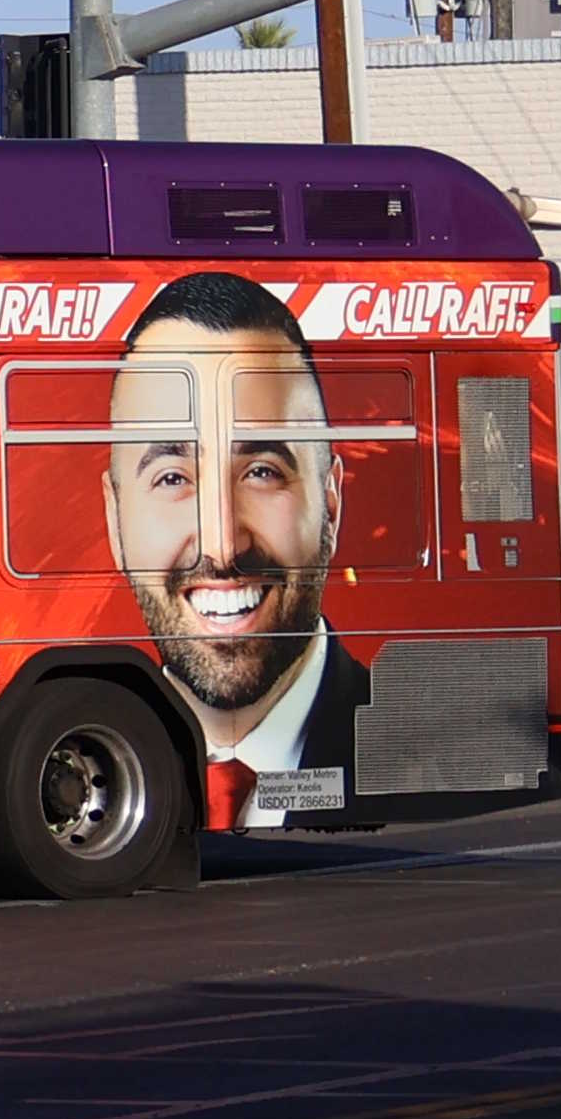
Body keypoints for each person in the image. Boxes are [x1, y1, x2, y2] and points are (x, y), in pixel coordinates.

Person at [101, 271, 369, 830]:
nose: (223, 545)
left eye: (262, 472)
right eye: (173, 478)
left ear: (331, 501)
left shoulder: (410, 732)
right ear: (115, 517)